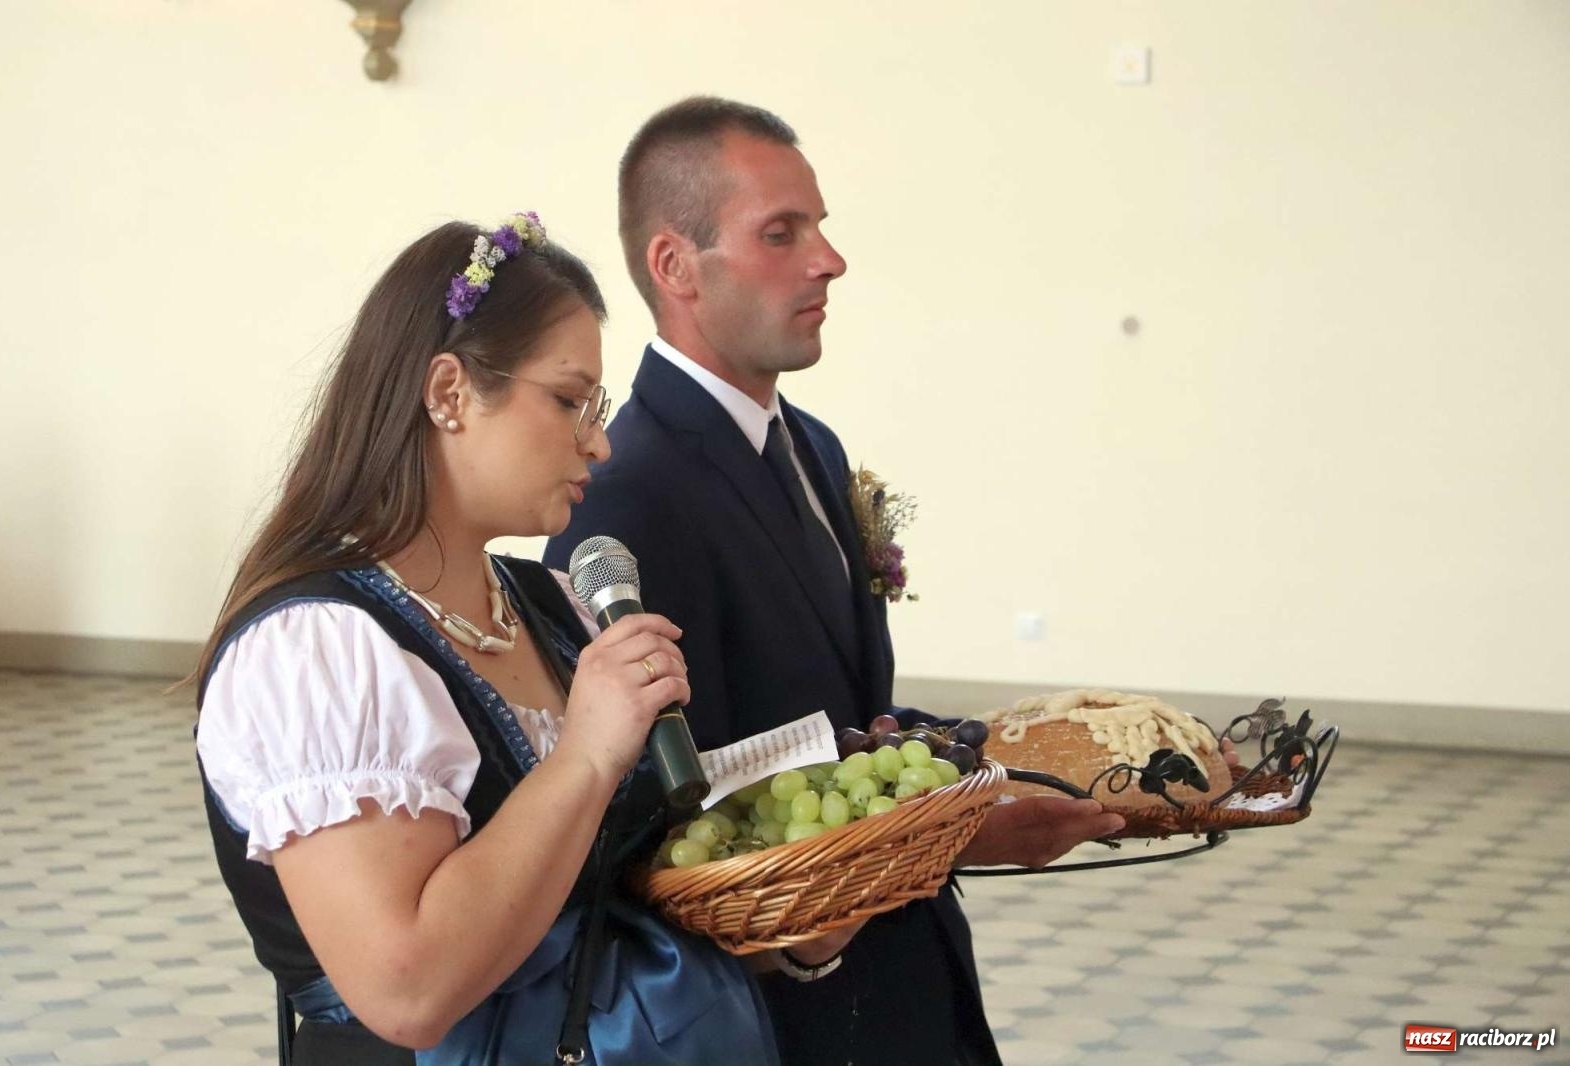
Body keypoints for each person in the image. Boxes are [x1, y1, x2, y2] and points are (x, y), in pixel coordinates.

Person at [543, 98, 1127, 1066]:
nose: (829, 260)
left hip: (908, 969)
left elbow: (834, 720)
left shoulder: (811, 444)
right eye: (781, 233)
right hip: (786, 1007)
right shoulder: (628, 492)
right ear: (675, 265)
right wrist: (956, 836)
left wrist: (991, 769)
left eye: (818, 226)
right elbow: (681, 812)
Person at [192, 214, 853, 1065]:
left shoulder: (551, 605)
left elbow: (611, 905)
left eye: (596, 408)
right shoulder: (317, 651)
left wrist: (796, 933)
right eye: (569, 401)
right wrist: (586, 755)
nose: (599, 443)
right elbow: (407, 992)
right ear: (449, 393)